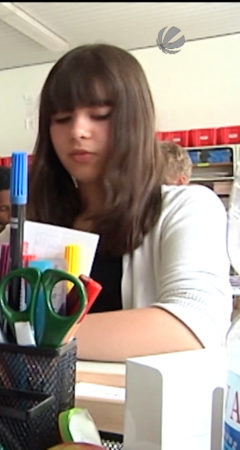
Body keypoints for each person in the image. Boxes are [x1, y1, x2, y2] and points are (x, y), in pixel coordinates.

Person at [26, 43, 231, 361]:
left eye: (100, 115)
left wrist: (28, 337)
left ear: (135, 122)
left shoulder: (189, 208)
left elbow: (194, 324)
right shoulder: (37, 223)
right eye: (62, 117)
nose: (78, 130)